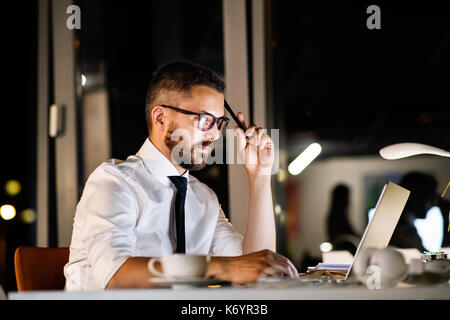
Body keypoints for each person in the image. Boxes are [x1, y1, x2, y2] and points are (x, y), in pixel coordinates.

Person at [64, 60, 298, 291]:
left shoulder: (203, 198)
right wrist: (221, 267)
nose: (215, 135)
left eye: (219, 123)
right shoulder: (114, 181)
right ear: (160, 118)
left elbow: (259, 267)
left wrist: (260, 177)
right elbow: (116, 276)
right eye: (206, 121)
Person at [389, 171, 439, 252]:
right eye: (429, 197)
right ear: (415, 197)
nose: (434, 203)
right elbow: (422, 257)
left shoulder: (403, 226)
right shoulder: (401, 232)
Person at [326, 184, 360, 255]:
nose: (349, 199)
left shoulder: (336, 215)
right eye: (347, 196)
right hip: (342, 252)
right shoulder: (336, 216)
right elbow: (348, 233)